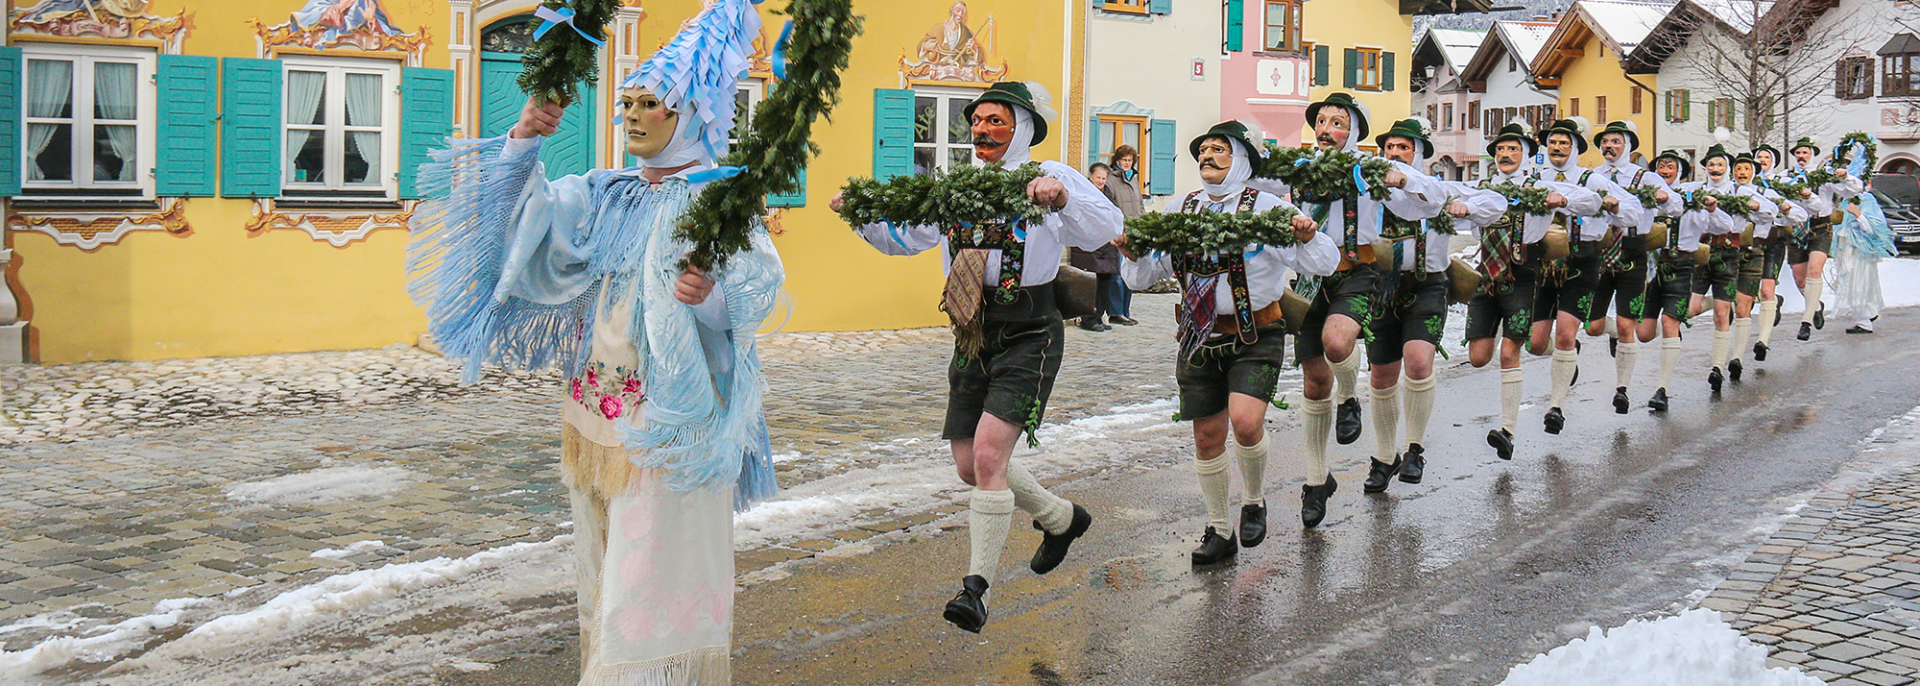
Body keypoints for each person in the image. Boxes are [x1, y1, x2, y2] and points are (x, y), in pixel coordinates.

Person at [405, 1, 783, 682]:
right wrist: (525, 136)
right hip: (595, 418)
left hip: (669, 429)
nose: (633, 115)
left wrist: (711, 298)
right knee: (603, 574)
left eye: (651, 104)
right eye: (628, 102)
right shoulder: (608, 193)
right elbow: (529, 229)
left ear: (691, 113)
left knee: (647, 586)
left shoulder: (720, 204)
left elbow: (755, 294)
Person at [835, 81, 1121, 633]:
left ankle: (976, 590)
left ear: (1022, 128)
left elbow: (1106, 227)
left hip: (1030, 330)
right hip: (971, 331)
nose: (983, 130)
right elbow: (908, 238)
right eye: (978, 120)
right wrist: (862, 216)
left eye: (996, 121)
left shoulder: (1050, 175)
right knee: (971, 467)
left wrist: (1060, 198)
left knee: (990, 457)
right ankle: (1061, 519)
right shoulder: (958, 187)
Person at [1119, 121, 1338, 564]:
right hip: (1197, 335)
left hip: (1255, 332)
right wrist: (1132, 254)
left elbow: (1324, 262)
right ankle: (1220, 530)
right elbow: (1145, 276)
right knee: (1206, 436)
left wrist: (1308, 235)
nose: (1207, 156)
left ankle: (1254, 498)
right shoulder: (1181, 207)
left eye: (1219, 149)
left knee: (1245, 421)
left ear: (1241, 160)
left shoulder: (1267, 208)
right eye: (1203, 150)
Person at [1250, 92, 1445, 527]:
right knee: (1315, 382)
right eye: (1320, 120)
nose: (1325, 128)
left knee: (1337, 343)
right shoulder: (1299, 168)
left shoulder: (1368, 170)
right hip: (1308, 277)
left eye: (1337, 121)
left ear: (1354, 131)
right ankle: (1318, 481)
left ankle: (1353, 400)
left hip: (1357, 271)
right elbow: (1253, 181)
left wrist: (1402, 179)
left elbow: (1431, 200)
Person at [1363, 118, 1505, 492]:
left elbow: (1496, 204)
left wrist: (1462, 208)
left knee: (1419, 361)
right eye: (1390, 148)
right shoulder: (1372, 191)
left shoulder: (1443, 188)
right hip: (1382, 287)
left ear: (1420, 153)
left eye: (1403, 148)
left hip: (1428, 286)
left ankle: (1414, 448)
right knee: (1381, 375)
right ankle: (1383, 455)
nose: (1395, 154)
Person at [1467, 123, 1596, 460]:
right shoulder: (1483, 186)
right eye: (1500, 149)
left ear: (1525, 155)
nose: (1505, 155)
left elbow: (1591, 199)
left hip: (1523, 276)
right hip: (1486, 277)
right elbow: (1448, 202)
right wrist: (1459, 209)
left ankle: (1507, 430)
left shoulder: (1538, 185)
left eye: (1513, 149)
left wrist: (1562, 198)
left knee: (1511, 351)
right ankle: (1562, 352)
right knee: (1478, 358)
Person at [1526, 118, 1640, 435]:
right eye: (1552, 143)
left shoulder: (1591, 180)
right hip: (1545, 263)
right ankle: (1567, 354)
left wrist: (1614, 206)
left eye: (1564, 143)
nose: (1557, 148)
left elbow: (1633, 211)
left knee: (1565, 332)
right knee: (1535, 344)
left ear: (1575, 148)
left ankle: (1556, 407)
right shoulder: (1534, 179)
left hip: (1582, 259)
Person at [1589, 121, 1680, 414]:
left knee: (1630, 324)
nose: (1609, 146)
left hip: (1633, 249)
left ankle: (1622, 389)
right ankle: (1615, 333)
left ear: (1627, 146)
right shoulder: (1594, 176)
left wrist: (1665, 197)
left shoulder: (1645, 177)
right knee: (1592, 326)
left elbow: (1676, 206)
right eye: (1605, 141)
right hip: (1601, 249)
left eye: (1616, 141)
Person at [1643, 149, 1732, 411]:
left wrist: (1713, 209)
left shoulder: (1691, 197)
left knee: (1670, 322)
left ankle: (1663, 389)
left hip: (1681, 265)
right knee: (1644, 333)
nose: (1665, 171)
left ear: (1680, 171)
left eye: (1670, 167)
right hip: (1649, 266)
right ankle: (1619, 332)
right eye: (1661, 166)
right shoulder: (1645, 196)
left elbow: (1723, 226)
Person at [1684, 145, 1775, 395]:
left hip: (1730, 252)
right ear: (1705, 168)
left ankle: (1720, 366)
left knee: (1727, 313)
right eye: (1710, 165)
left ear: (1727, 168)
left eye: (1720, 165)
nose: (1715, 169)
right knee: (1690, 308)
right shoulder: (1696, 190)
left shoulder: (1740, 191)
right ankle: (1717, 303)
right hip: (1702, 252)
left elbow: (1771, 211)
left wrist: (1756, 207)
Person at [1785, 137, 1864, 341]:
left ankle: (1806, 321)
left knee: (1814, 271)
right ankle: (1817, 306)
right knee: (1799, 278)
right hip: (1798, 227)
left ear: (1812, 154)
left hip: (1820, 226)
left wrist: (1845, 177)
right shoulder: (1787, 177)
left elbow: (1854, 189)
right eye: (1798, 153)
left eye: (1805, 152)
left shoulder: (1824, 175)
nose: (1801, 156)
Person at [1831, 194, 1897, 333]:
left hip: (1861, 252)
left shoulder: (1867, 201)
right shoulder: (1846, 200)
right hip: (1848, 250)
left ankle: (1864, 320)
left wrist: (1857, 214)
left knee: (1861, 284)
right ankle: (1866, 314)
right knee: (1849, 283)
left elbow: (1873, 230)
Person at [1072, 163, 1122, 331]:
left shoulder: (1108, 193)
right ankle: (1088, 318)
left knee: (1105, 282)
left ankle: (1099, 316)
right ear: (1091, 177)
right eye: (1098, 178)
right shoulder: (1082, 192)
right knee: (1091, 284)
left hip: (1107, 245)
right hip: (1089, 245)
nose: (1101, 181)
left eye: (1103, 178)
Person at [1105, 145, 1149, 326]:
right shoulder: (1111, 180)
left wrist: (1145, 224)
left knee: (1130, 273)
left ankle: (1125, 311)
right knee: (1117, 274)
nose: (1127, 163)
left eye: (1130, 160)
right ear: (1117, 161)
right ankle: (1115, 312)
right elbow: (1111, 207)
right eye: (1124, 160)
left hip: (1134, 232)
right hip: (1119, 233)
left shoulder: (1134, 179)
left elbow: (1139, 205)